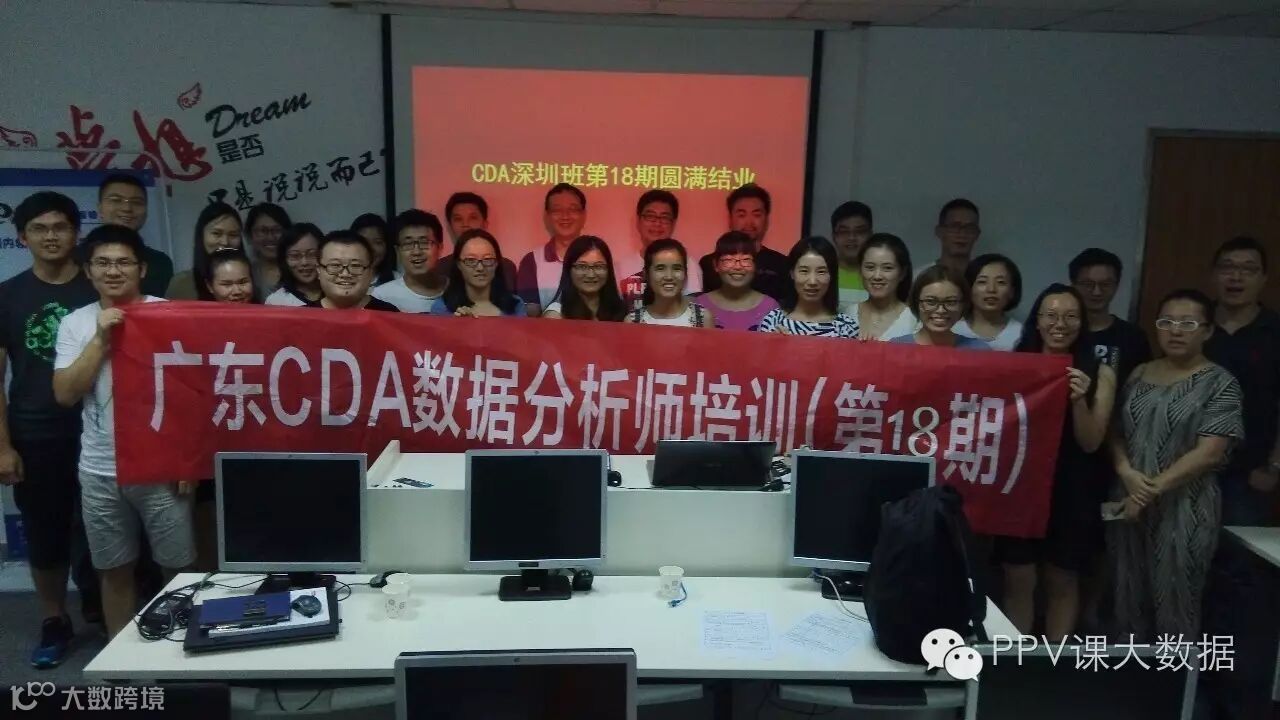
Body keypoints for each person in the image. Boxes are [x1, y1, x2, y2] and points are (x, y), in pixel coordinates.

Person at [53, 224, 194, 638]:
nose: (113, 271)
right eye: (103, 263)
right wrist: (100, 339)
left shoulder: (170, 315)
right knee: (113, 568)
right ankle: (120, 660)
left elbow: (193, 396)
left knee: (178, 568)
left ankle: (180, 653)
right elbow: (65, 393)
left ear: (142, 268)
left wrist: (187, 461)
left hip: (162, 467)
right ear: (88, 271)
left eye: (123, 262)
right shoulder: (75, 323)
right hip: (100, 468)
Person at [0, 192, 102, 667]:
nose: (51, 236)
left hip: (99, 428)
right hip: (36, 432)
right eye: (39, 229)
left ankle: (107, 610)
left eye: (60, 227)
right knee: (45, 531)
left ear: (76, 232)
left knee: (107, 526)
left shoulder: (98, 287)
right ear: (22, 237)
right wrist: (3, 446)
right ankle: (54, 619)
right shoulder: (7, 296)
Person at [1108, 289, 1243, 641]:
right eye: (1166, 322)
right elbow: (1116, 433)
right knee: (1126, 596)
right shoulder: (1139, 373)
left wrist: (1147, 492)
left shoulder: (1220, 383)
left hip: (1185, 507)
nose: (1175, 330)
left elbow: (1210, 452)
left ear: (1207, 331)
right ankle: (1130, 675)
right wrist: (1125, 472)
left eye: (1188, 323)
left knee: (1177, 603)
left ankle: (1176, 677)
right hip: (1128, 502)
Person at [995, 284, 1116, 640]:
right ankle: (1015, 659)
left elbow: (1091, 441)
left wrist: (1078, 399)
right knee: (1018, 576)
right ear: (1037, 320)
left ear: (1082, 322)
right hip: (1020, 483)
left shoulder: (1099, 372)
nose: (1059, 324)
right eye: (1050, 315)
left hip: (1073, 485)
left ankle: (1054, 662)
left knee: (1061, 578)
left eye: (1070, 316)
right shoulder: (1017, 363)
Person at [1199, 236, 1280, 720]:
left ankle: (1240, 702)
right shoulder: (1195, 325)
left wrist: (1274, 466)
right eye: (1227, 267)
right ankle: (1194, 692)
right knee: (1194, 585)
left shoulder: (1275, 332)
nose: (1235, 276)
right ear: (1214, 274)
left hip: (1246, 480)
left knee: (1245, 591)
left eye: (1247, 268)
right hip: (1187, 477)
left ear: (1263, 279)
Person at [1068, 248, 1151, 387]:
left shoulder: (1133, 337)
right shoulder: (1062, 332)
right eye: (1088, 284)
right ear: (1073, 285)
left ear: (1116, 285)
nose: (1097, 292)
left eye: (1105, 284)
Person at [698, 184, 788, 300]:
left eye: (756, 215)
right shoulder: (708, 264)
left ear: (766, 220)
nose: (749, 222)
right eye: (741, 215)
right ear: (730, 219)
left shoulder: (781, 264)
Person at [758, 237, 857, 338]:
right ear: (792, 273)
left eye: (821, 271)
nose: (812, 281)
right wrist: (773, 344)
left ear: (831, 276)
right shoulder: (773, 321)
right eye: (804, 271)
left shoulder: (846, 327)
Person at [97, 173, 173, 297]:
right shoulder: (78, 258)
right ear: (100, 208)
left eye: (136, 202)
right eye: (116, 200)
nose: (127, 208)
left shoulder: (160, 262)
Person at [517, 183, 587, 316]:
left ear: (584, 215)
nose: (565, 216)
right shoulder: (532, 261)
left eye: (573, 209)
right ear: (547, 216)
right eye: (557, 210)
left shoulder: (597, 259)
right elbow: (529, 315)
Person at [693, 231, 779, 332]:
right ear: (715, 265)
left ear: (755, 265)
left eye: (746, 259)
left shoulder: (770, 307)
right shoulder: (698, 305)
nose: (738, 267)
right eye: (729, 259)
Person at [890, 265, 988, 349]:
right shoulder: (895, 348)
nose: (941, 310)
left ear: (963, 305)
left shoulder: (979, 350)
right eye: (930, 301)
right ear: (916, 303)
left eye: (951, 302)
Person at [432, 230, 524, 317]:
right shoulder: (442, 307)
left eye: (487, 259)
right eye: (471, 260)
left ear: (496, 263)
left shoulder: (515, 305)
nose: (480, 268)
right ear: (459, 264)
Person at [625, 239, 714, 328]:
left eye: (677, 268)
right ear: (646, 274)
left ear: (685, 273)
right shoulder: (633, 321)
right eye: (660, 268)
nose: (669, 276)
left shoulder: (703, 318)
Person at [372, 210, 448, 313]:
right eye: (408, 244)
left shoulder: (458, 290)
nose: (416, 252)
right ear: (397, 251)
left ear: (440, 247)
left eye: (424, 242)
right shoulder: (381, 297)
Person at [165, 203, 243, 300]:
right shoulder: (181, 284)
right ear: (201, 236)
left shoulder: (252, 281)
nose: (225, 242)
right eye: (216, 233)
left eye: (233, 235)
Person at [440, 192, 517, 289]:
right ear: (449, 226)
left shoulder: (506, 268)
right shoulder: (439, 269)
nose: (465, 225)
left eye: (473, 218)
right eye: (458, 219)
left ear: (485, 224)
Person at [542, 236, 627, 321]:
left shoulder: (623, 313)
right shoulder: (556, 315)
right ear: (569, 269)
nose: (591, 275)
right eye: (582, 266)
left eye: (598, 266)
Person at [851, 233, 917, 341]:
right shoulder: (847, 315)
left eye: (887, 268)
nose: (877, 276)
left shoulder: (914, 320)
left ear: (902, 273)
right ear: (860, 270)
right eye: (870, 267)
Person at [619, 190, 679, 308]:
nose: (657, 223)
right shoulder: (621, 268)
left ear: (673, 224)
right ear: (638, 221)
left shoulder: (688, 266)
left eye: (665, 217)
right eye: (650, 216)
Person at [954, 253, 1023, 351]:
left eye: (1001, 282)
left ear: (1012, 291)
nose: (991, 289)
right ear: (968, 288)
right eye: (982, 282)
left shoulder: (1021, 335)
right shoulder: (953, 329)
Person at [316, 231, 399, 311]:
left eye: (355, 265)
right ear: (319, 270)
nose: (345, 274)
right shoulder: (308, 314)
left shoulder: (390, 314)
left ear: (370, 271)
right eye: (335, 265)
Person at [265, 224, 324, 307]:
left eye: (312, 254)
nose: (304, 262)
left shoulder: (336, 293)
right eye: (295, 256)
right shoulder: (275, 302)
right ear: (284, 260)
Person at [830, 201, 873, 313]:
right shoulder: (823, 273)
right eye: (844, 232)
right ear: (834, 236)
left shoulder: (880, 275)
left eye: (860, 231)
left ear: (870, 235)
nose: (852, 237)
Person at [924, 198, 981, 278]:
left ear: (977, 234)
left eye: (970, 228)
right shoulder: (921, 277)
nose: (962, 234)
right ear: (939, 232)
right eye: (955, 226)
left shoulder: (983, 279)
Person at [244, 203, 292, 292]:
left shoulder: (298, 269)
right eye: (263, 231)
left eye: (277, 230)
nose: (270, 237)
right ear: (250, 235)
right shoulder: (245, 272)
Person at [351, 213, 396, 286]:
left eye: (377, 242)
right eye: (364, 242)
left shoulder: (398, 281)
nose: (371, 248)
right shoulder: (341, 280)